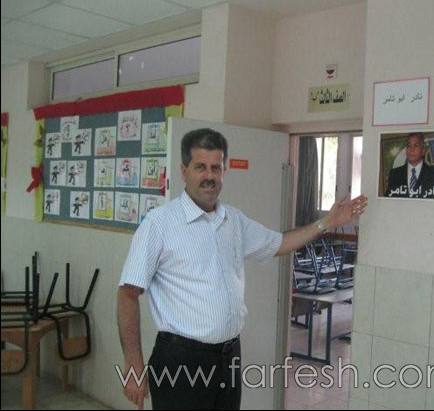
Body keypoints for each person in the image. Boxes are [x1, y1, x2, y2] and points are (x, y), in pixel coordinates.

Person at [117, 128, 368, 410]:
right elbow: (128, 294)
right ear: (184, 171)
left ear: (224, 171)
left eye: (216, 168)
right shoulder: (159, 224)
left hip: (228, 357)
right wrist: (133, 363)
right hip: (181, 360)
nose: (209, 176)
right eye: (200, 167)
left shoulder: (233, 221)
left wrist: (327, 222)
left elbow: (280, 242)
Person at [385, 132, 434, 199]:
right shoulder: (395, 174)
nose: (411, 149)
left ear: (423, 151)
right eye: (409, 146)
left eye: (416, 145)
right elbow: (387, 200)